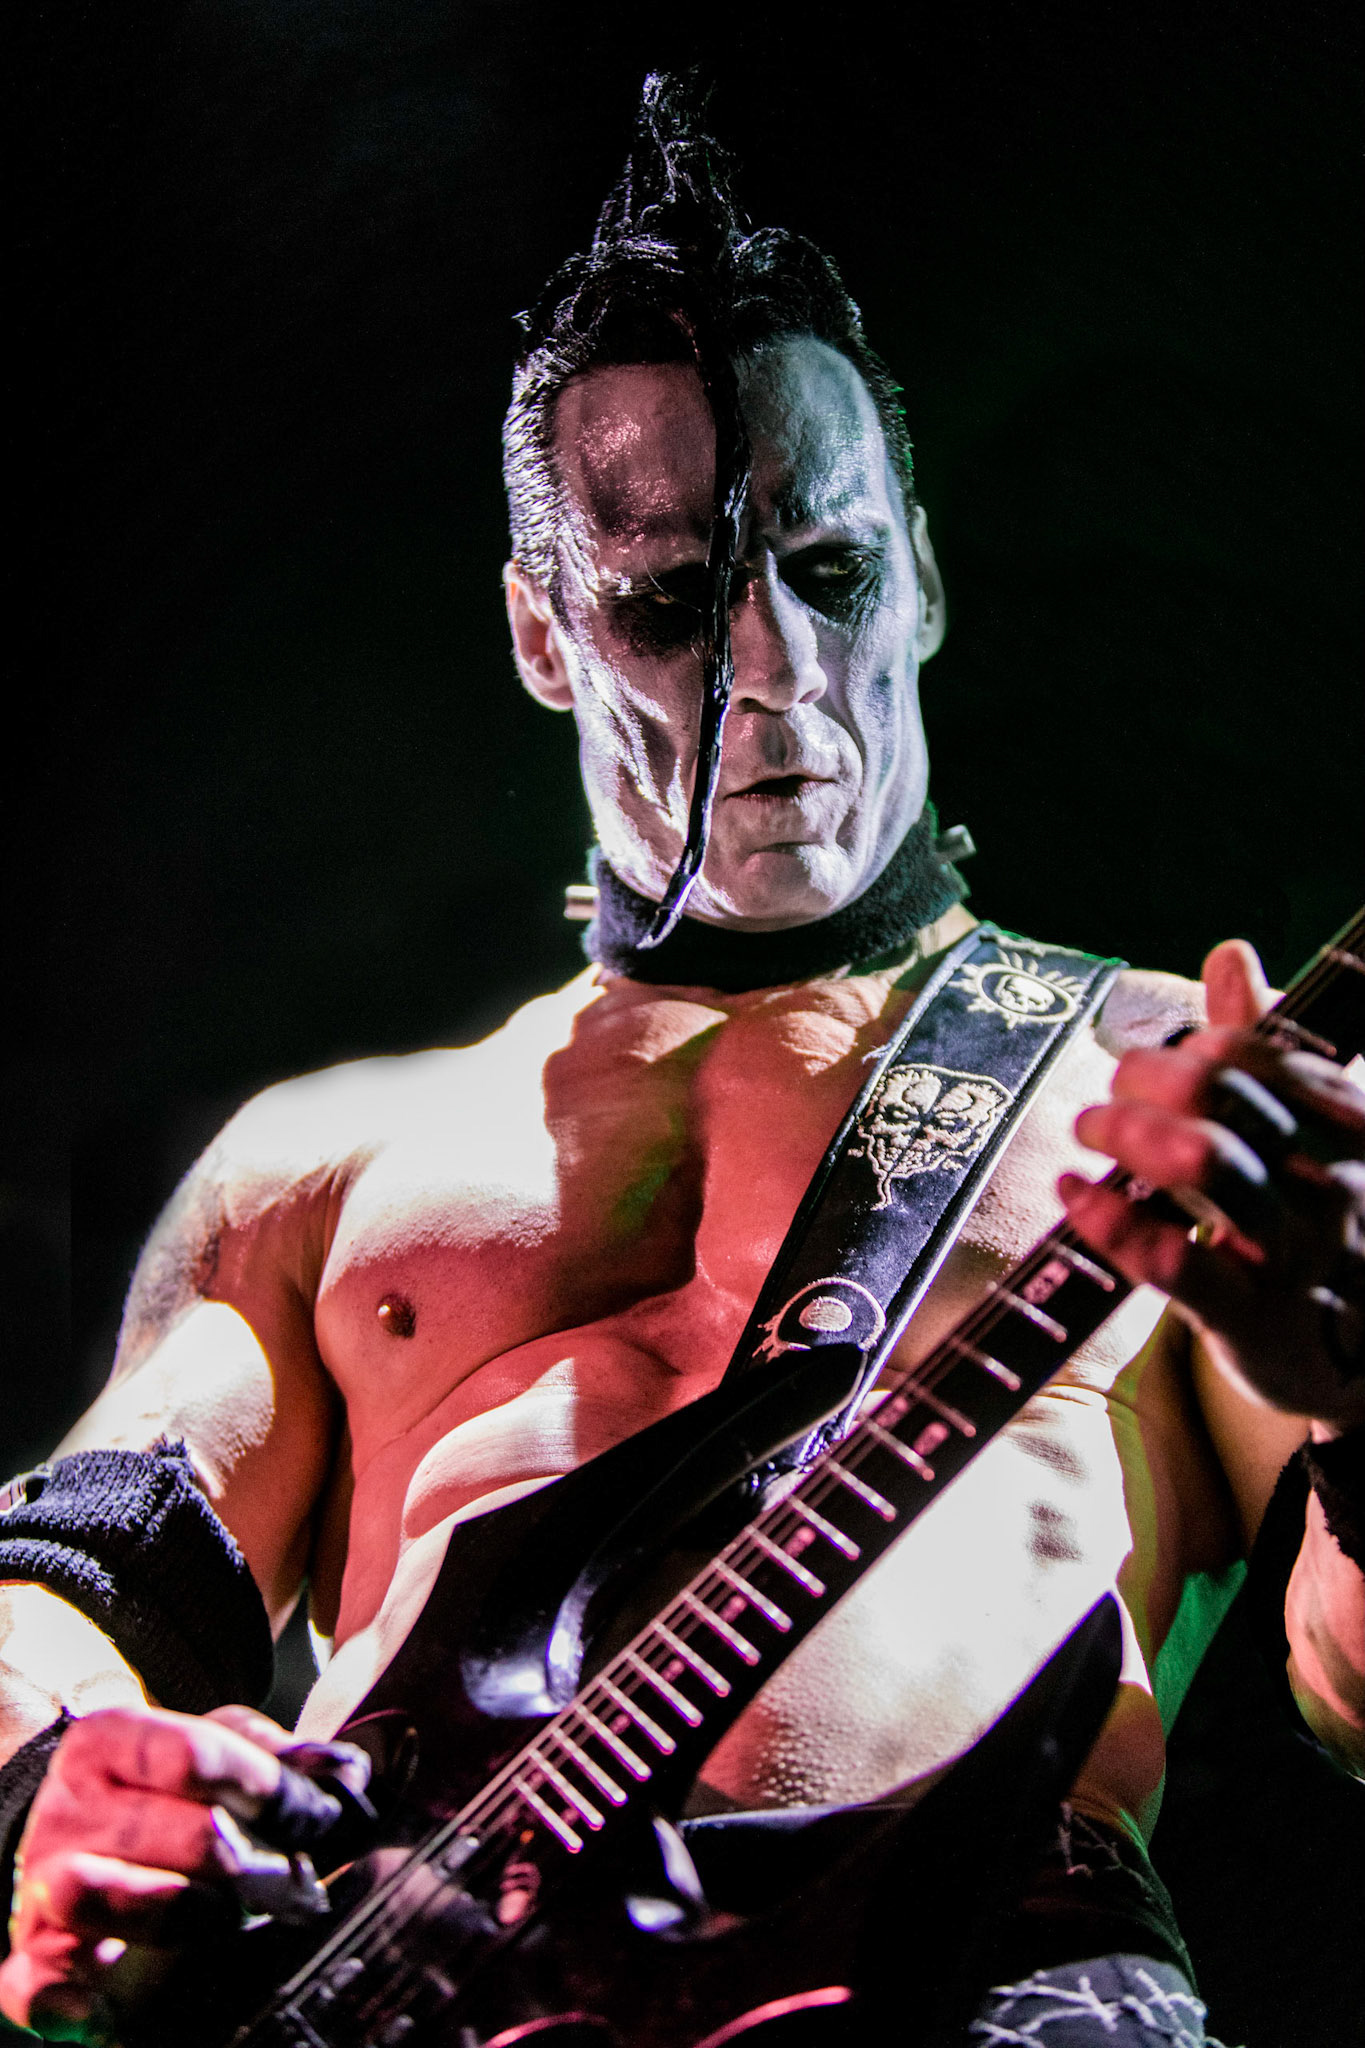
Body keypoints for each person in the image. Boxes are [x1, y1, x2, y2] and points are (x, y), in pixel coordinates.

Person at [1, 76, 1360, 2045]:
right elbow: (77, 1588)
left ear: (923, 575)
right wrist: (49, 1792)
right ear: (540, 633)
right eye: (666, 602)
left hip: (985, 1980)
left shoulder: (1185, 1086)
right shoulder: (322, 1163)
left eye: (831, 573)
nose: (777, 673)